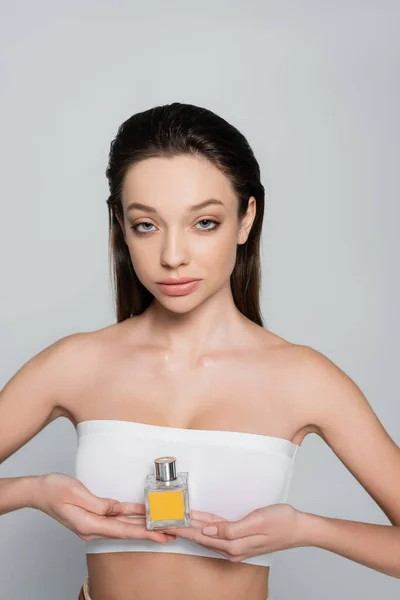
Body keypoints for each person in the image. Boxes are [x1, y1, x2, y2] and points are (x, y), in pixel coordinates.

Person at [1, 102, 399, 600]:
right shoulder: (75, 364)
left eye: (203, 223)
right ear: (121, 225)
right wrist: (33, 492)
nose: (172, 256)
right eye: (146, 224)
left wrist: (306, 530)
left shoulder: (304, 378)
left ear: (246, 218)